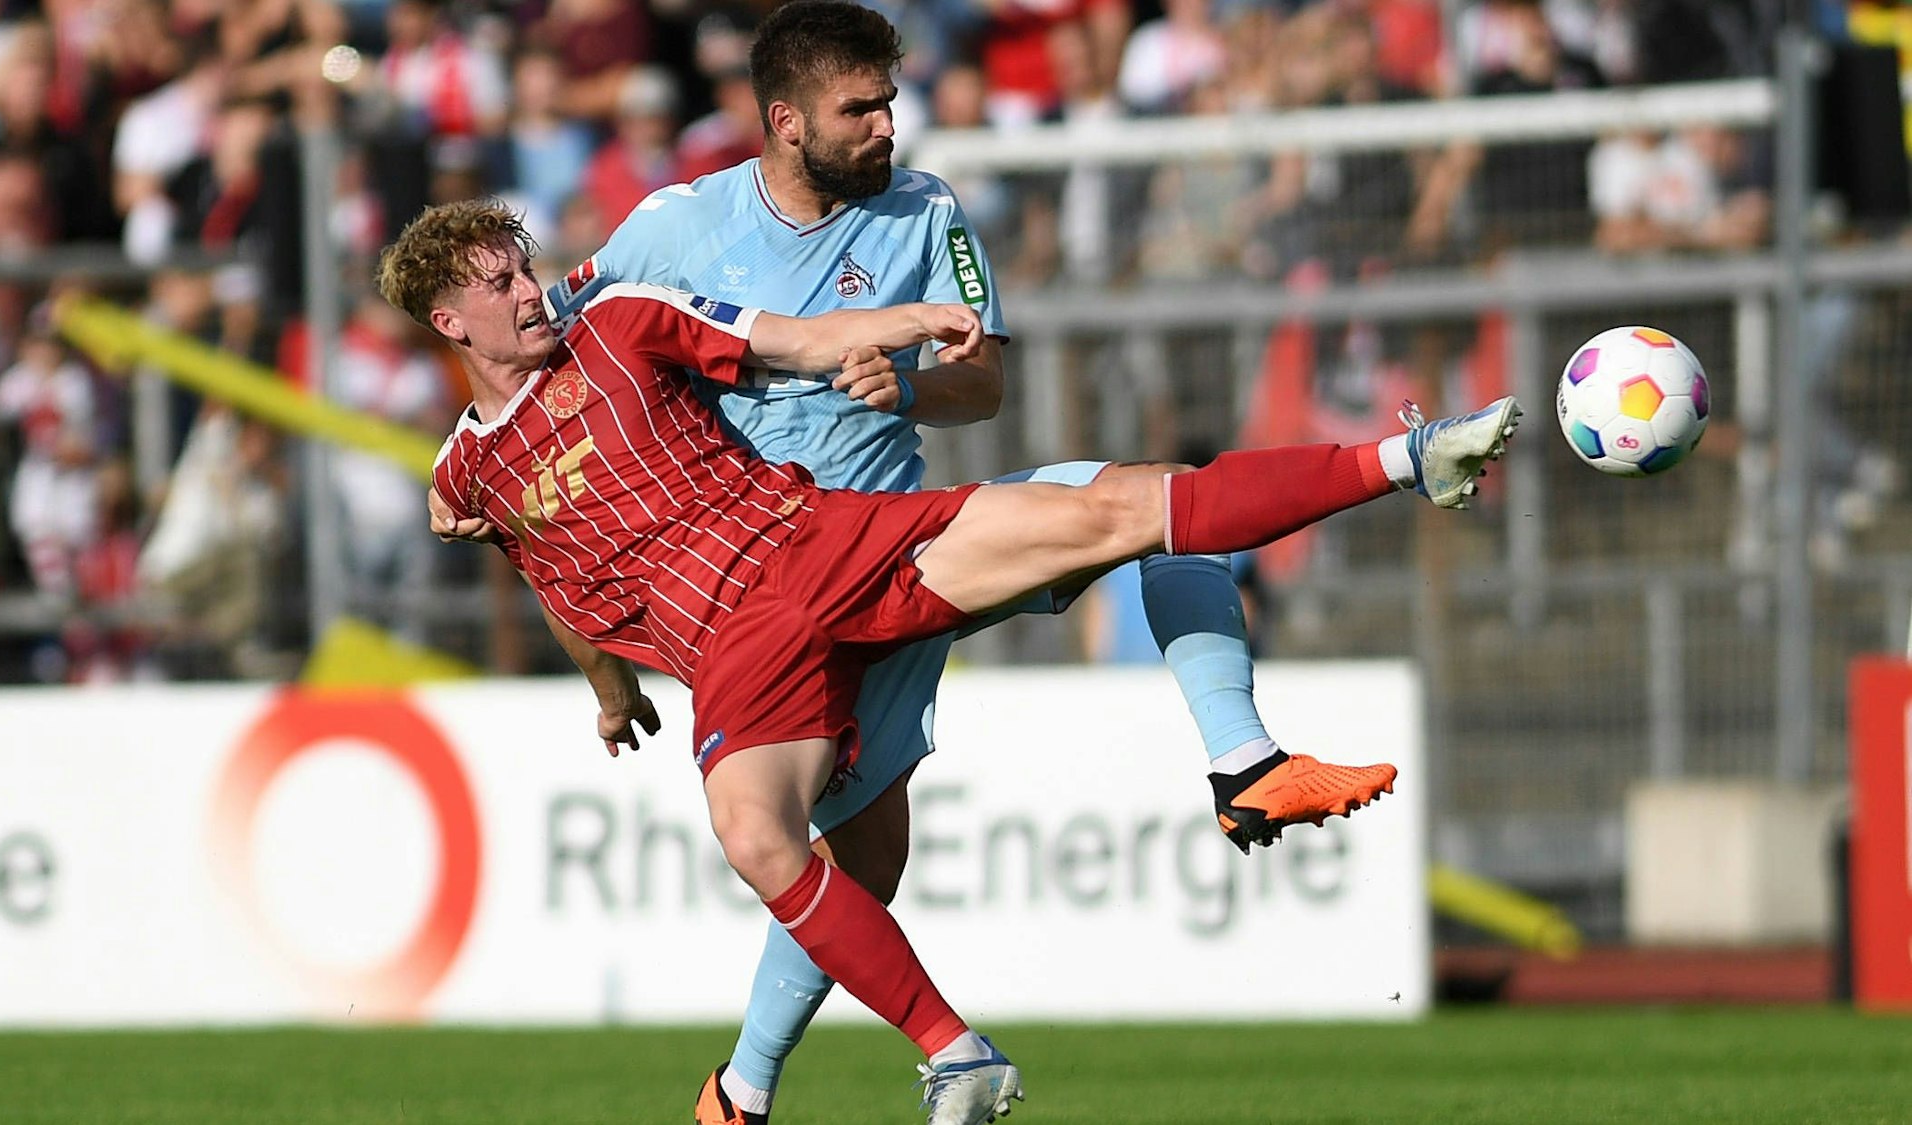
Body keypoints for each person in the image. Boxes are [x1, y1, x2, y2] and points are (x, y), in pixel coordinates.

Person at [426, 5, 1407, 1121]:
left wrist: (914, 386)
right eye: (864, 108)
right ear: (787, 122)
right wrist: (472, 475)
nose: (891, 124)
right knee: (860, 864)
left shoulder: (928, 213)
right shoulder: (668, 230)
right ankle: (744, 1089)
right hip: (760, 588)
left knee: (1133, 507)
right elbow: (550, 371)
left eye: (889, 101)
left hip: (893, 533)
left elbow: (978, 384)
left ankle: (1243, 761)